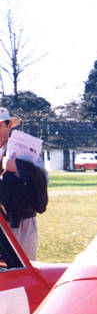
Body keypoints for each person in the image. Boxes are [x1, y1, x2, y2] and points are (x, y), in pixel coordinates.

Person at [0, 107, 48, 260]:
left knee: (24, 268)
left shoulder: (25, 148)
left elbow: (44, 178)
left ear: (9, 126)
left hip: (22, 222)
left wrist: (19, 169)